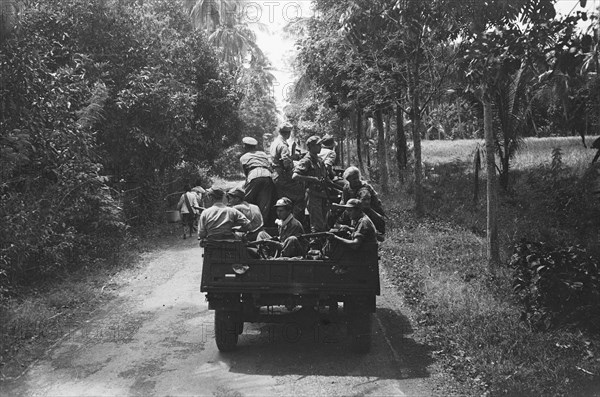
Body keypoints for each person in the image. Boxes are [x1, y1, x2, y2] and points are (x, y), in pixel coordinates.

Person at [293, 136, 330, 232]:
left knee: (324, 223)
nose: (320, 147)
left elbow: (325, 177)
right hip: (313, 195)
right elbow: (295, 176)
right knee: (317, 225)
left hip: (323, 195)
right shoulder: (306, 160)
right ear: (311, 147)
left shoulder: (319, 160)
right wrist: (312, 179)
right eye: (318, 145)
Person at [270, 123, 306, 222]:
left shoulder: (275, 142)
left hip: (276, 174)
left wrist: (293, 157)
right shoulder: (283, 145)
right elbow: (286, 162)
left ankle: (284, 220)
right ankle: (296, 222)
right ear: (288, 133)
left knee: (283, 199)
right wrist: (292, 171)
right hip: (283, 176)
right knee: (300, 195)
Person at [240, 136, 276, 225]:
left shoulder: (244, 157)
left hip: (253, 175)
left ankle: (247, 223)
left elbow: (246, 173)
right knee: (265, 203)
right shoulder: (263, 154)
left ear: (245, 146)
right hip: (268, 175)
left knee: (246, 201)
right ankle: (263, 225)